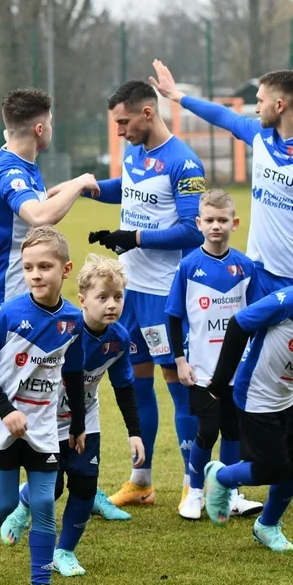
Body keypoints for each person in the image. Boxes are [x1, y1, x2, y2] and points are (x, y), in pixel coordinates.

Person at [87, 79, 207, 510]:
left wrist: (134, 235)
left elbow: (194, 231)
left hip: (164, 296)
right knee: (137, 384)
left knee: (178, 386)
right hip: (129, 294)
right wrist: (91, 187)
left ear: (147, 113)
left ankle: (197, 483)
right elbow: (129, 188)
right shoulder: (135, 151)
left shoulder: (185, 163)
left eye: (124, 121)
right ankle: (142, 481)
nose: (120, 131)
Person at [0, 225, 85, 585]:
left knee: (45, 501)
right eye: (29, 267)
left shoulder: (73, 320)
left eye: (44, 266)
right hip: (2, 424)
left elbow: (74, 375)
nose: (35, 274)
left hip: (45, 427)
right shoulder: (11, 314)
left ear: (65, 270)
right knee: (1, 503)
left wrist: (78, 423)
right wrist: (7, 411)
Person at [0, 255, 145, 576]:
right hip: (47, 418)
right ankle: (23, 507)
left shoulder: (119, 339)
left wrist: (134, 432)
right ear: (82, 299)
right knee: (51, 488)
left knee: (84, 486)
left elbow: (124, 387)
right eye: (102, 297)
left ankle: (63, 552)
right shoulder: (62, 328)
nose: (112, 305)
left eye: (118, 297)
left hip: (85, 420)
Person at [150, 62, 293, 302]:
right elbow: (223, 116)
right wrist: (178, 96)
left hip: (291, 278)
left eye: (260, 101)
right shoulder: (261, 135)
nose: (256, 108)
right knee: (251, 337)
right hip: (259, 270)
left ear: (279, 106)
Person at [165, 189, 262, 520]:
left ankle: (231, 492)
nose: (216, 226)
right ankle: (194, 493)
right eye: (209, 220)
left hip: (239, 370)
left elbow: (258, 316)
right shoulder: (189, 267)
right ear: (199, 223)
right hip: (202, 370)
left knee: (234, 431)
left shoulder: (246, 267)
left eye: (222, 220)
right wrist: (179, 360)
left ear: (234, 223)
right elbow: (173, 317)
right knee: (206, 431)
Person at [0, 88, 99, 317]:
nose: (51, 128)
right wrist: (78, 183)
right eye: (50, 123)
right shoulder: (10, 171)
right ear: (39, 129)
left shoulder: (21, 159)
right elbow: (38, 216)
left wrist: (68, 188)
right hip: (13, 288)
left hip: (32, 284)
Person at [201, 285, 293, 551]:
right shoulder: (287, 301)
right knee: (274, 469)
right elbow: (239, 323)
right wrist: (220, 382)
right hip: (257, 395)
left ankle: (267, 526)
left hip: (289, 395)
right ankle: (222, 476)